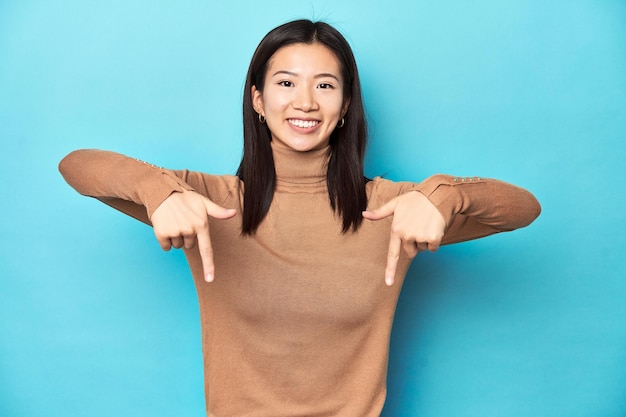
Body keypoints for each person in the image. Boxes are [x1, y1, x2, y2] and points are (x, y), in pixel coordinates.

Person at [59, 19, 540, 417]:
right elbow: (76, 165)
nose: (305, 102)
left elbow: (524, 208)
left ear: (346, 104)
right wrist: (158, 191)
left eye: (324, 85)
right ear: (258, 100)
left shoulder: (393, 210)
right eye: (285, 83)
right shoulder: (208, 200)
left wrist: (441, 196)